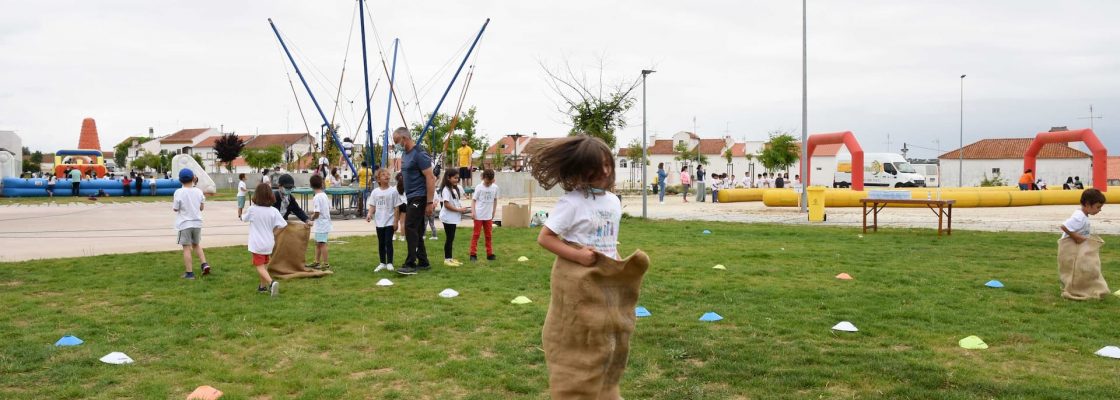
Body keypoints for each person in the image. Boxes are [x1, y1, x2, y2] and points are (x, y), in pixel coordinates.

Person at [529, 136, 628, 396]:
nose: (605, 171)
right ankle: (575, 388)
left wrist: (617, 263)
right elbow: (545, 238)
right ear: (581, 169)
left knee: (606, 339)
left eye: (608, 164)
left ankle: (601, 388)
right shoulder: (571, 202)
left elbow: (609, 239)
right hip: (577, 279)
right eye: (598, 166)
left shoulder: (614, 201)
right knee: (577, 337)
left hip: (605, 278)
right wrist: (579, 257)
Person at [394, 126, 437, 275]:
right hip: (410, 196)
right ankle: (423, 262)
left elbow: (430, 178)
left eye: (397, 141)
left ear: (405, 139)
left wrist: (430, 202)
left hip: (420, 196)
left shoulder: (419, 154)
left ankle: (410, 263)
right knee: (417, 230)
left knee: (409, 226)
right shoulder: (405, 155)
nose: (396, 145)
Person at [242, 183, 286, 296]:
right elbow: (283, 225)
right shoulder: (273, 211)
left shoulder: (252, 209)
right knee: (264, 265)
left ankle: (272, 283)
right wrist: (274, 233)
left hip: (257, 244)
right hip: (269, 242)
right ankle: (262, 287)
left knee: (260, 267)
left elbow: (244, 219)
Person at [172, 169, 210, 279]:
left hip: (184, 223)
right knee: (196, 244)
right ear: (193, 178)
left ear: (180, 180)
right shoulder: (198, 191)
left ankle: (189, 273)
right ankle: (204, 264)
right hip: (197, 223)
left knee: (186, 247)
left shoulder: (178, 192)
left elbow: (175, 208)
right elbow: (202, 207)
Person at [367, 168, 405, 272]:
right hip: (379, 222)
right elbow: (372, 205)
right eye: (384, 175)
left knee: (388, 242)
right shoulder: (375, 192)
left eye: (388, 174)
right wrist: (370, 214)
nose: (387, 176)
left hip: (389, 221)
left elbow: (397, 208)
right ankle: (382, 263)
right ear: (378, 179)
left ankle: (389, 263)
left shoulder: (393, 191)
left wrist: (395, 221)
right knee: (381, 243)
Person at [438, 169, 470, 266]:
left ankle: (450, 258)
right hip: (448, 218)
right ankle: (447, 259)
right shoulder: (446, 190)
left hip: (452, 217)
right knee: (449, 238)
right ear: (448, 178)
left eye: (457, 178)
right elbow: (447, 205)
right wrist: (459, 210)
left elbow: (455, 202)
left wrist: (461, 208)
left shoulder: (454, 188)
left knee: (451, 238)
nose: (457, 180)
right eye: (455, 178)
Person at [469, 169, 499, 262]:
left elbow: (495, 200)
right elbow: (473, 200)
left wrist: (493, 212)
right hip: (478, 215)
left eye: (490, 182)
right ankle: (473, 254)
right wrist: (473, 212)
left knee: (489, 235)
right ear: (483, 178)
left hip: (488, 216)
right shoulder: (479, 187)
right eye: (487, 181)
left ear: (493, 180)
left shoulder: (495, 188)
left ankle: (489, 254)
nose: (488, 183)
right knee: (476, 234)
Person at [306, 175, 332, 270]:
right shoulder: (324, 195)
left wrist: (311, 218)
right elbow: (328, 208)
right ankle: (316, 261)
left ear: (311, 185)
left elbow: (317, 212)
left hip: (321, 224)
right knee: (318, 243)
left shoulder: (316, 197)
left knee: (322, 243)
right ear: (321, 184)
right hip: (324, 222)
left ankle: (325, 263)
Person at [395, 172, 407, 242]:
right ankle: (403, 237)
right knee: (403, 222)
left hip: (397, 204)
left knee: (395, 220)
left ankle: (394, 235)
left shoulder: (394, 188)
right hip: (405, 204)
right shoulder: (407, 187)